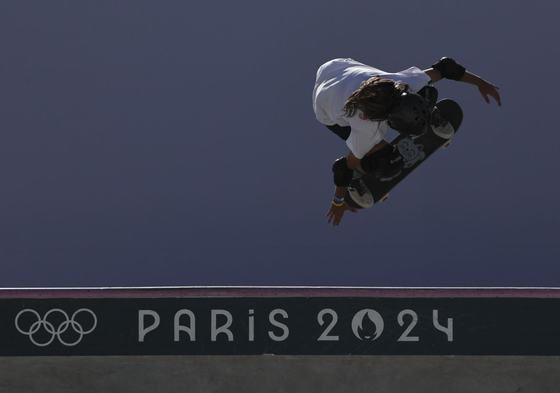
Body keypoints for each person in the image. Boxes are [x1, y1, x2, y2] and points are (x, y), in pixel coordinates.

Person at [312, 57, 502, 226]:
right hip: (326, 106)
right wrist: (338, 201)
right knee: (385, 163)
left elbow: (446, 68)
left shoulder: (401, 85)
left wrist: (480, 82)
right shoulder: (368, 129)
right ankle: (358, 177)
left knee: (427, 92)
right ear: (391, 122)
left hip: (337, 67)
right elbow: (345, 168)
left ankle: (428, 113)